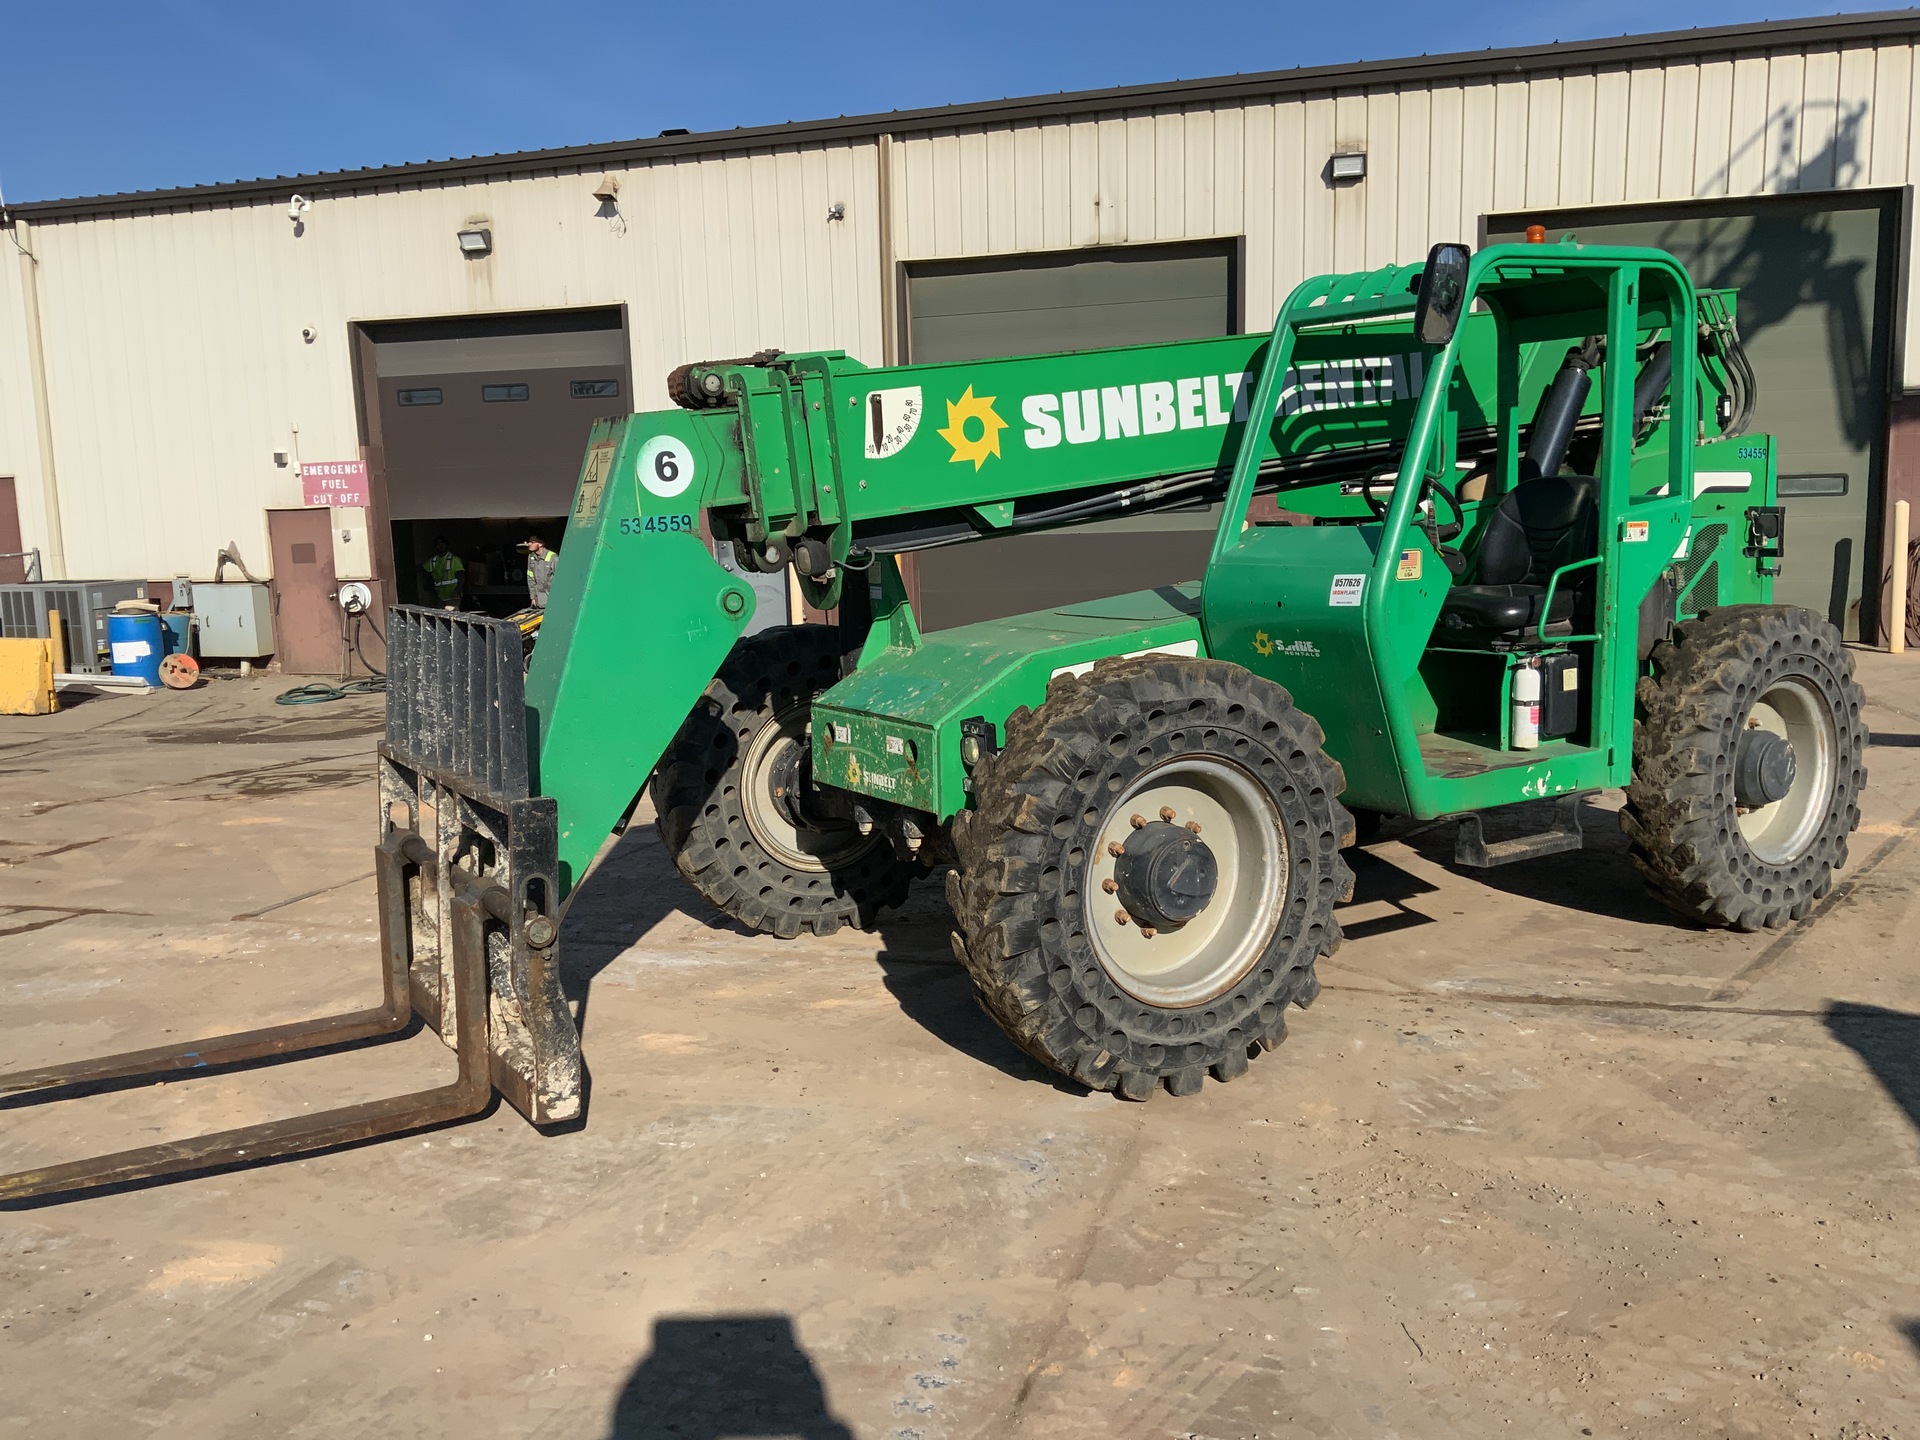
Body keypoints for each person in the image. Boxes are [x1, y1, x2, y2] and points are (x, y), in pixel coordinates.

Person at [424, 536, 465, 608]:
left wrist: (457, 590)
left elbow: (461, 577)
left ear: (446, 545)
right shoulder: (432, 561)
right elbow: (425, 573)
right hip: (439, 597)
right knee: (440, 618)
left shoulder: (454, 559)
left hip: (452, 597)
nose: (440, 546)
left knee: (452, 617)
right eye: (438, 544)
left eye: (442, 543)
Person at [523, 533, 559, 609]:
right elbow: (530, 578)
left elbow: (559, 580)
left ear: (540, 544)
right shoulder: (531, 557)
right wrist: (533, 597)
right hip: (538, 601)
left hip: (550, 600)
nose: (529, 544)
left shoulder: (553, 557)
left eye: (532, 542)